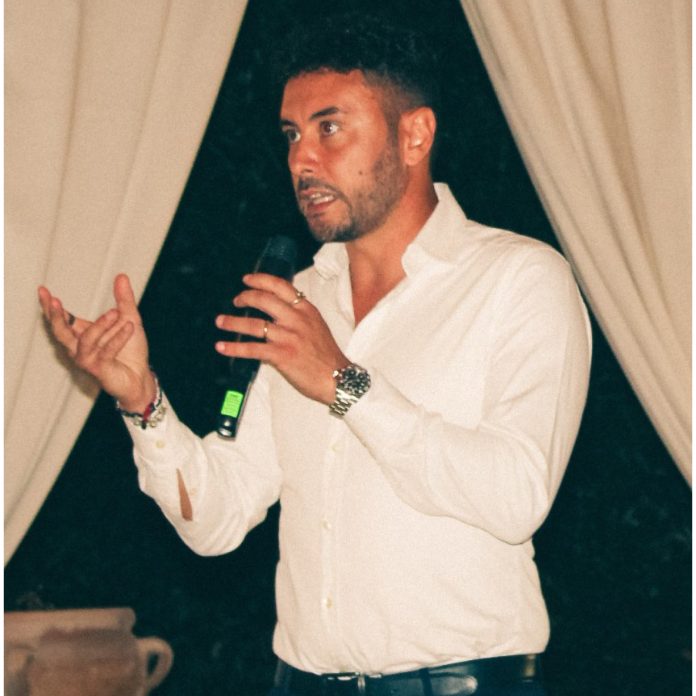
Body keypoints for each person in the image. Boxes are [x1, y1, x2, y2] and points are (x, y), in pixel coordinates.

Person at [39, 12, 591, 696]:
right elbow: (218, 519)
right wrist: (143, 401)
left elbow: (516, 496)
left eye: (330, 128)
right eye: (292, 135)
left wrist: (343, 383)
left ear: (415, 135)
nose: (302, 159)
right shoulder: (302, 301)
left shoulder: (518, 279)